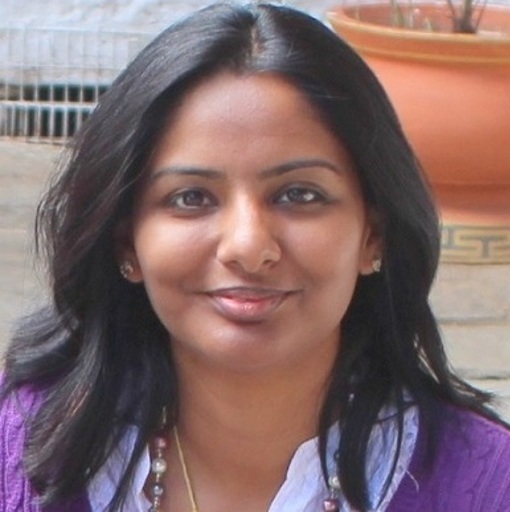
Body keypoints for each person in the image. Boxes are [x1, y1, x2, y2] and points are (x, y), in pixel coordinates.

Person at [1, 2, 509, 511]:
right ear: (126, 242)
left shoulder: (486, 485)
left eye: (299, 195)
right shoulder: (20, 447)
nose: (248, 247)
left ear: (373, 235)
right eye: (191, 197)